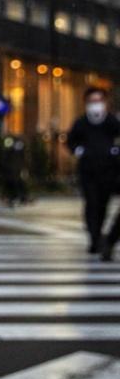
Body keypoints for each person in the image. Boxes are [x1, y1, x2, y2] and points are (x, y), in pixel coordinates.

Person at [66, 87, 120, 257]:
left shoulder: (112, 122)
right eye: (92, 101)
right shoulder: (81, 123)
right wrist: (79, 151)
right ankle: (96, 238)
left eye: (98, 101)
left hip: (109, 171)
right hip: (88, 171)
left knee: (102, 205)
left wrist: (114, 151)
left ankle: (106, 239)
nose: (95, 105)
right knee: (92, 203)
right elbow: (71, 141)